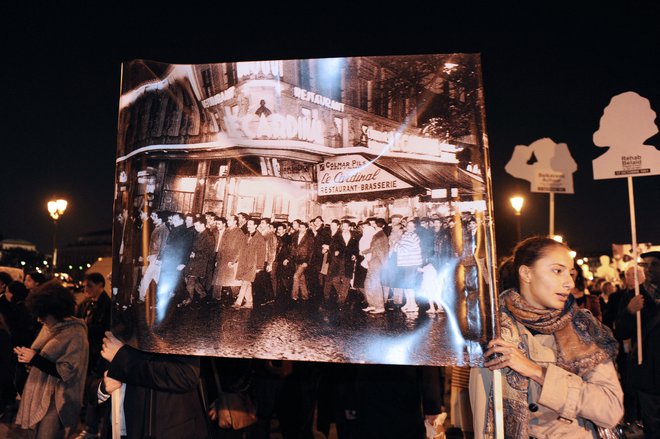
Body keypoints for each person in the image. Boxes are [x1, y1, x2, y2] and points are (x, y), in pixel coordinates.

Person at [470, 236, 623, 438]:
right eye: (557, 271)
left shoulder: (583, 329)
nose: (569, 282)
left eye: (570, 273)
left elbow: (610, 409)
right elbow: (483, 418)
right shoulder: (492, 330)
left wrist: (537, 372)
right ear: (526, 273)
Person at [97, 331, 209, 439]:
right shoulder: (116, 318)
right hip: (115, 428)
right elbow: (89, 377)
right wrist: (102, 388)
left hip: (165, 429)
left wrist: (122, 359)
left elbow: (186, 374)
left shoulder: (177, 318)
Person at [14, 280, 89, 439]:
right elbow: (40, 354)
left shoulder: (76, 333)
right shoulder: (50, 326)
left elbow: (69, 371)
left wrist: (35, 359)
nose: (39, 320)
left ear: (55, 312)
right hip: (41, 393)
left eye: (43, 316)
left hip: (59, 400)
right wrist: (28, 358)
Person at [615, 250, 660, 438]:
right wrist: (629, 311)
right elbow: (620, 331)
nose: (648, 269)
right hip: (648, 370)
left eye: (654, 265)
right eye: (645, 265)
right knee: (654, 425)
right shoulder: (633, 295)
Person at [75, 273, 112, 439]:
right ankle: (89, 424)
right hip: (88, 353)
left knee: (95, 388)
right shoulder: (86, 304)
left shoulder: (108, 305)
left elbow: (105, 329)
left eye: (89, 286)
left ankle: (91, 427)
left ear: (100, 286)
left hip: (99, 355)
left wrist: (85, 327)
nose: (85, 289)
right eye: (85, 285)